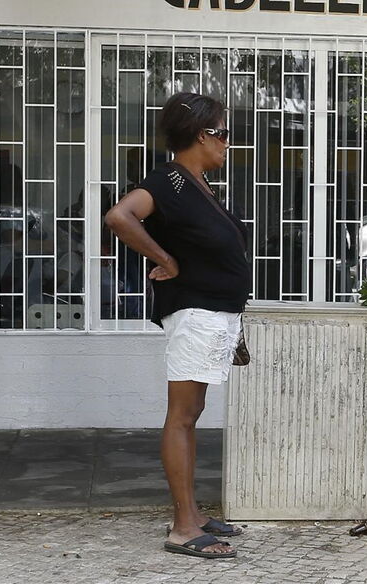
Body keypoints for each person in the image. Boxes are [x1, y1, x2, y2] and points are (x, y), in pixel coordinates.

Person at [105, 92, 250, 558]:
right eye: (224, 133)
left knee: (192, 416)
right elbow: (118, 216)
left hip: (214, 313)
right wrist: (163, 258)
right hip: (195, 312)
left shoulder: (197, 183)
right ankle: (183, 527)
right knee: (182, 417)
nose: (228, 143)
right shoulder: (167, 180)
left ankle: (193, 512)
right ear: (202, 134)